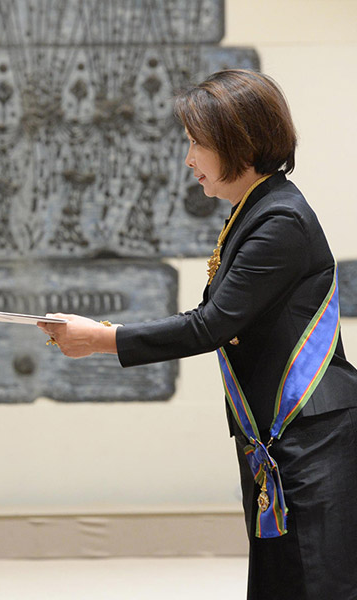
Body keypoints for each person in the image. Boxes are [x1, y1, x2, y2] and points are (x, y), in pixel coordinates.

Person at [39, 69, 357, 598]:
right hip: (280, 438)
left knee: (318, 584)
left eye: (196, 143)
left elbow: (211, 325)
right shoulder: (255, 210)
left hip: (313, 434)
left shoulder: (279, 221)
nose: (188, 159)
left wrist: (102, 338)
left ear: (242, 143)